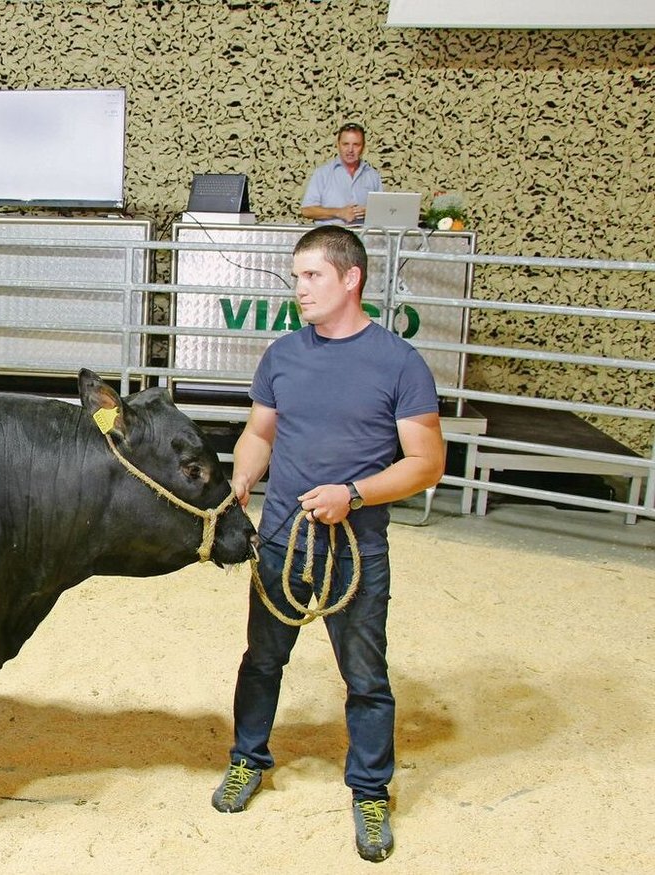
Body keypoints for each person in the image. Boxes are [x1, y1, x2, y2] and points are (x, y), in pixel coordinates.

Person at [212, 225, 445, 863]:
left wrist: (356, 494)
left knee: (366, 677)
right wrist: (239, 482)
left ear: (351, 279)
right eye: (295, 277)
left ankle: (370, 790)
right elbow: (260, 433)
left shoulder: (399, 362)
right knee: (262, 660)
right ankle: (247, 759)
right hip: (283, 538)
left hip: (354, 548)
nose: (299, 290)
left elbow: (426, 463)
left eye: (311, 276)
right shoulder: (283, 354)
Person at [300, 123, 382, 226]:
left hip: (363, 238)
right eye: (345, 144)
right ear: (338, 145)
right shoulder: (322, 173)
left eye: (356, 144)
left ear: (364, 147)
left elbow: (382, 212)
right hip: (330, 237)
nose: (350, 150)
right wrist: (339, 212)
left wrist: (369, 212)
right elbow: (307, 210)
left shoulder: (373, 176)